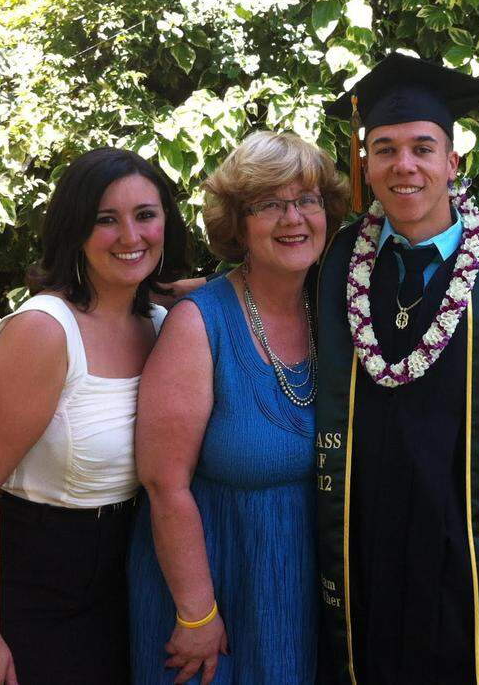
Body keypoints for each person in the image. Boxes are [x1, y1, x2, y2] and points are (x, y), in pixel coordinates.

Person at [315, 52, 479, 685]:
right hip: (362, 546)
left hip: (463, 553)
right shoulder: (334, 265)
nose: (404, 165)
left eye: (422, 148)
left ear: (452, 162)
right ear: (366, 166)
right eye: (384, 149)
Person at [0, 148, 188, 685]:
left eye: (145, 215)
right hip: (26, 582)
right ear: (75, 229)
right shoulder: (45, 331)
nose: (130, 236)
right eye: (105, 219)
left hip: (123, 576)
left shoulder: (165, 324)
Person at [128, 131, 349, 685]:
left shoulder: (338, 308)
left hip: (305, 590)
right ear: (238, 224)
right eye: (268, 204)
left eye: (307, 200)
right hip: (217, 589)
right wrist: (196, 612)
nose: (292, 218)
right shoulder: (198, 325)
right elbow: (163, 483)